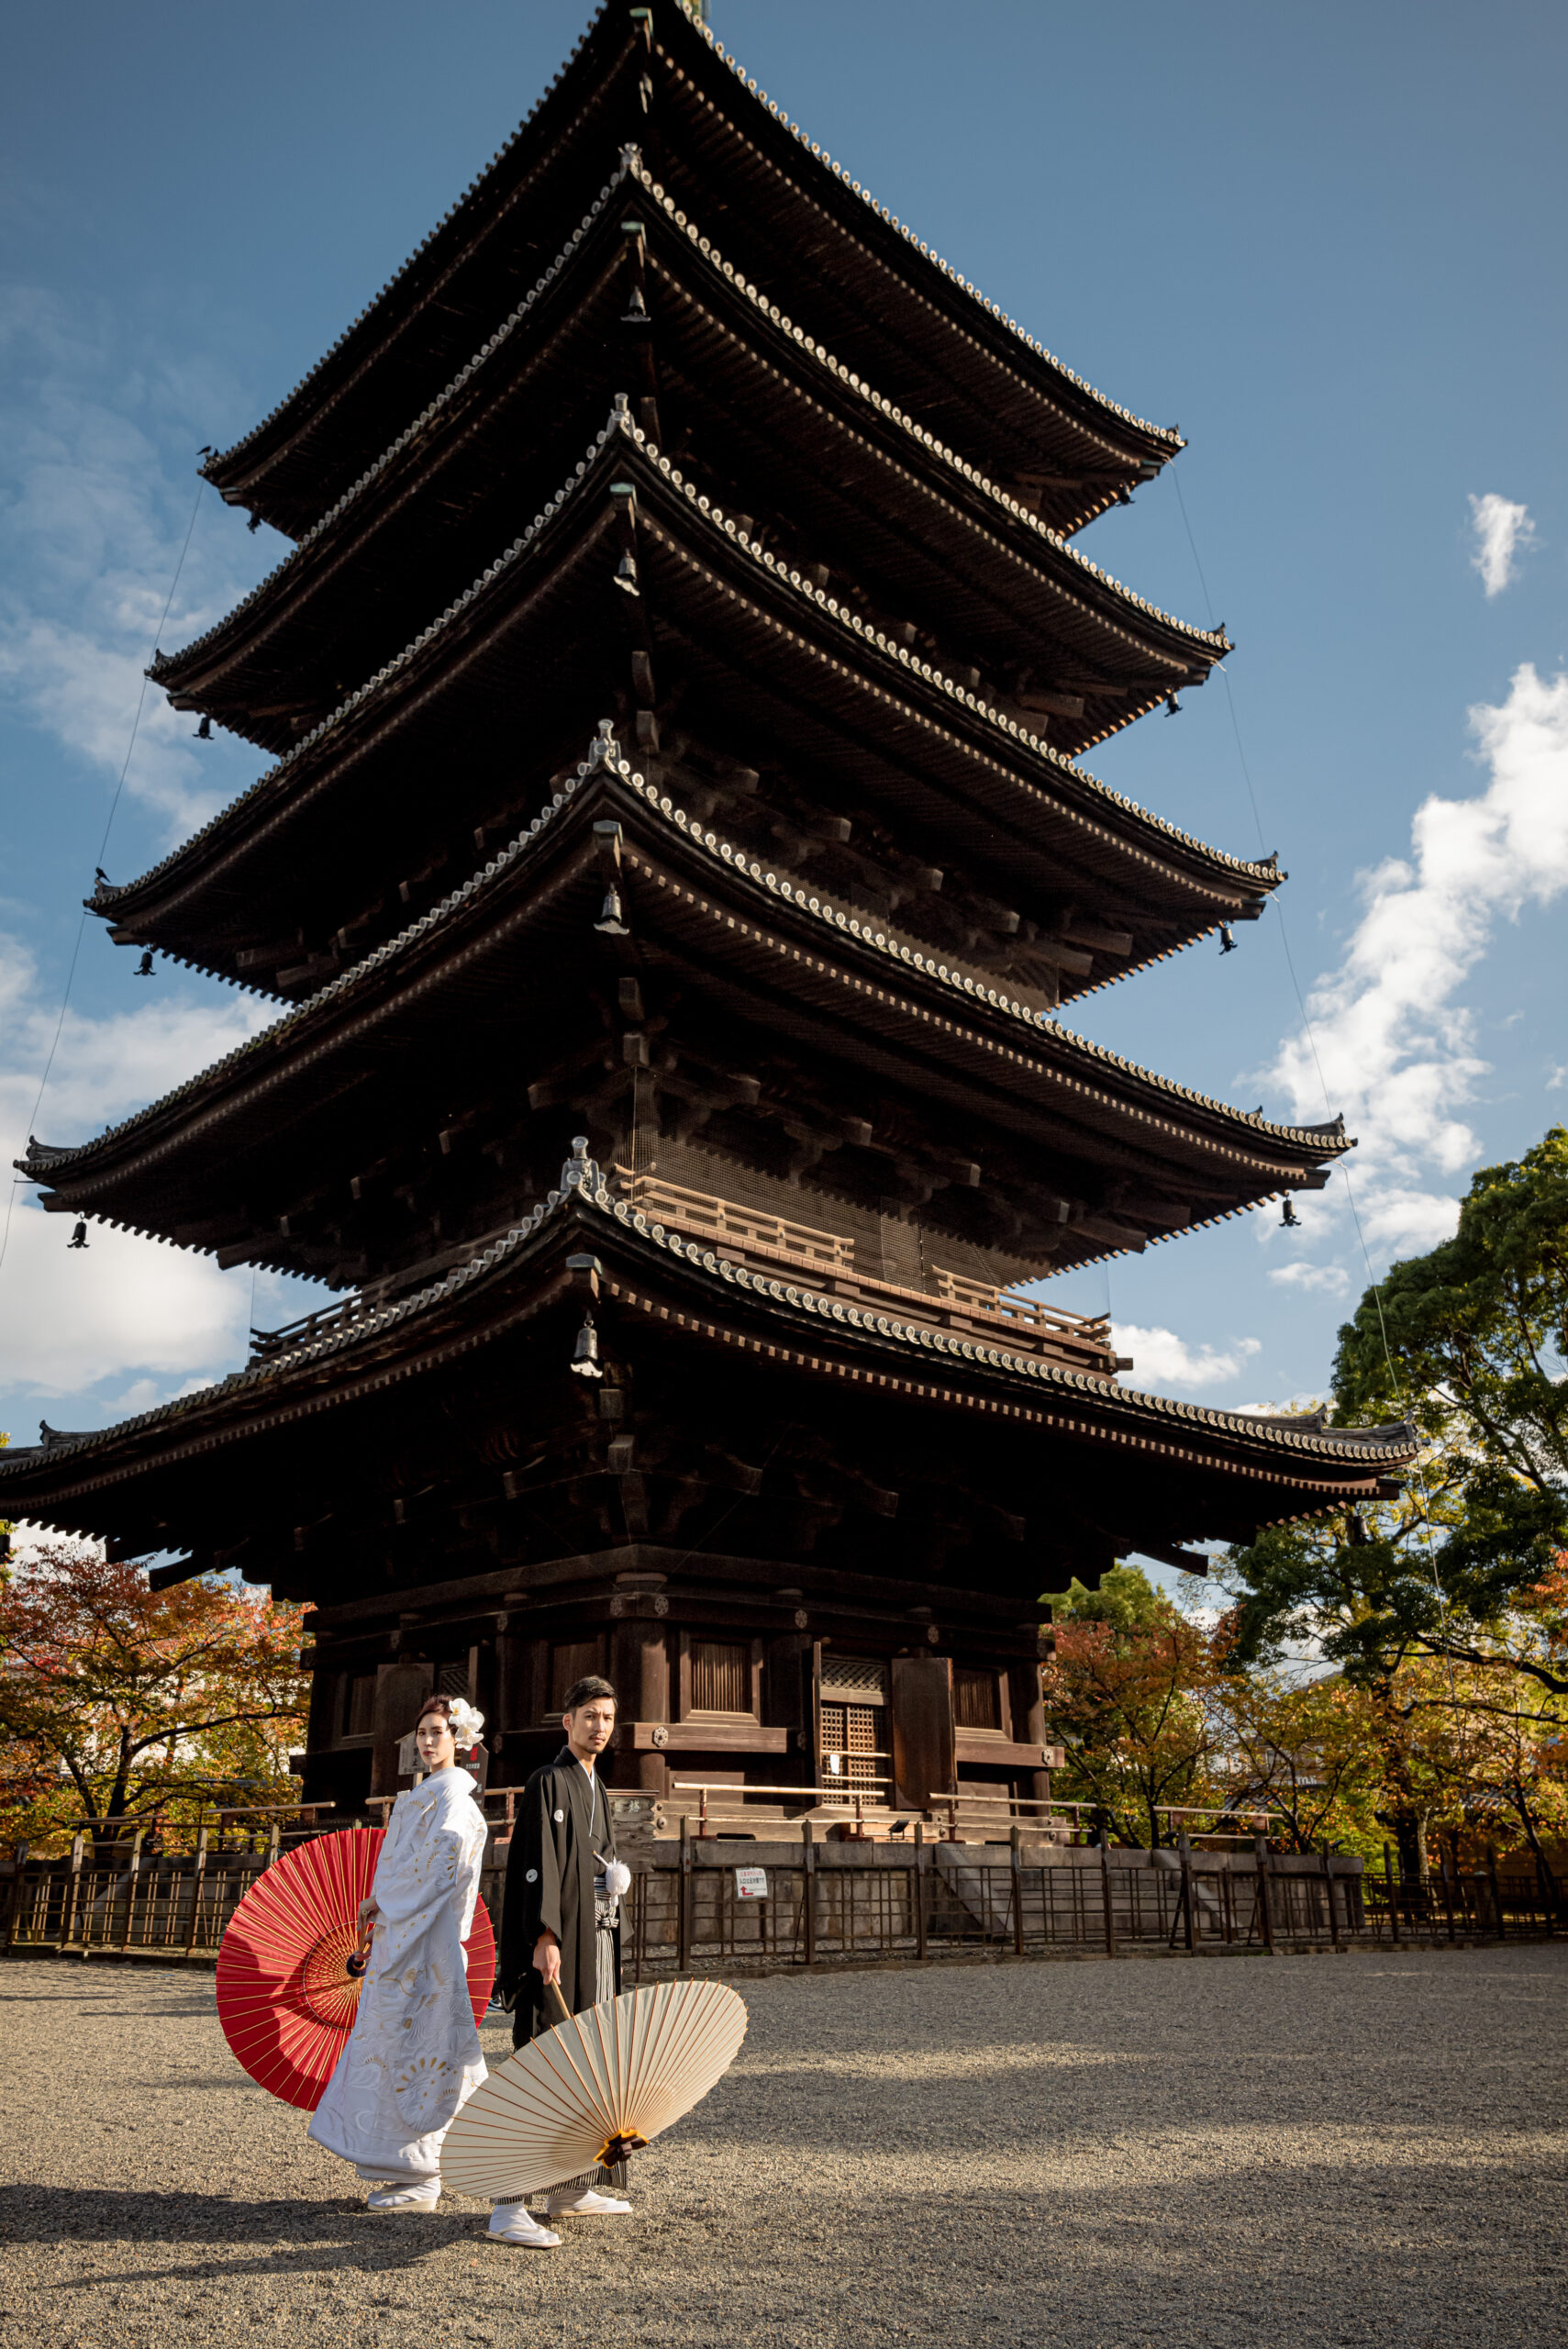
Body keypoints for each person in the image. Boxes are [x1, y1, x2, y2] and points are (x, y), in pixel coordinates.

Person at [308, 1694, 490, 2211]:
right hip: (401, 1937)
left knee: (425, 2053)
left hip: (425, 1943)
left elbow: (442, 1865)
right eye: (424, 1733)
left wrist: (384, 1901)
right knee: (397, 2049)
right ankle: (407, 2168)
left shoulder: (456, 1798)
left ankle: (427, 2173)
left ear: (460, 1740)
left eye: (439, 1732)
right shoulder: (423, 1795)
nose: (429, 1742)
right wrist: (381, 1908)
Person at [491, 1674, 634, 2248]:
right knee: (544, 2064)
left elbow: (594, 1866)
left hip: (592, 1946)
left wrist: (612, 1885)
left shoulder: (598, 1787)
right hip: (558, 1946)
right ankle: (507, 2202)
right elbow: (536, 1864)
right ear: (567, 1722)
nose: (599, 1727)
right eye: (590, 1716)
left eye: (607, 1717)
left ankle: (571, 2187)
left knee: (590, 2064)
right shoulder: (548, 1781)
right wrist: (543, 1934)